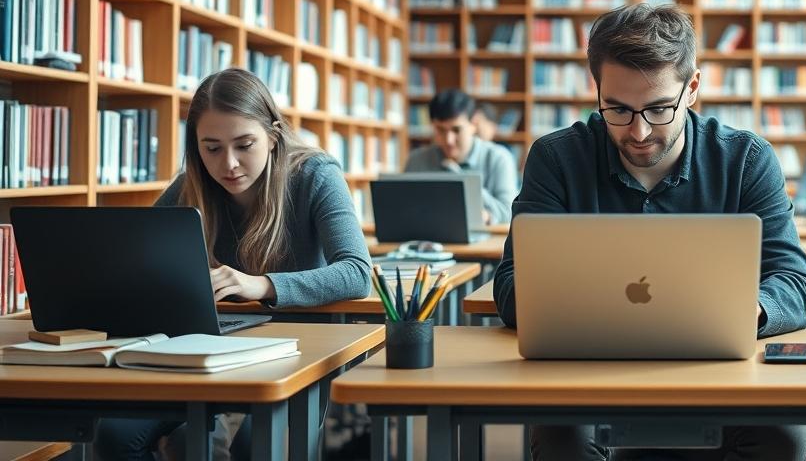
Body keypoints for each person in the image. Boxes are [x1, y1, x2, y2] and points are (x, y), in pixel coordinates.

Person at [493, 3, 806, 461]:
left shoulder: (746, 159)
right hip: (589, 373)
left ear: (693, 88)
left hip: (720, 371)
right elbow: (510, 286)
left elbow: (796, 284)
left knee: (786, 436)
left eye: (660, 108)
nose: (639, 131)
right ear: (597, 90)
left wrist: (746, 312)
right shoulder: (557, 159)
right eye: (617, 110)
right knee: (565, 438)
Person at [95, 68, 373, 460]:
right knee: (114, 435)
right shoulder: (190, 184)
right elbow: (137, 259)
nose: (229, 164)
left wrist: (262, 285)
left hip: (291, 350)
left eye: (244, 145)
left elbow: (357, 273)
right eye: (212, 148)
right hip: (200, 346)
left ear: (273, 137)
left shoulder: (316, 175)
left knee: (223, 444)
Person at [403, 88, 519, 225]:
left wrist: (460, 177)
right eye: (440, 130)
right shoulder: (416, 160)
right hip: (425, 241)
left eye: (456, 130)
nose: (448, 140)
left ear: (473, 124)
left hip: (482, 243)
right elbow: (403, 210)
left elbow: (510, 213)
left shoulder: (499, 158)